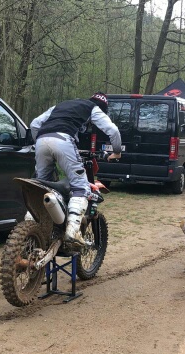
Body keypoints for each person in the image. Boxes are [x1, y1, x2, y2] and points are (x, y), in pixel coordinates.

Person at [30, 92, 122, 246]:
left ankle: (32, 226)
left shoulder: (61, 105)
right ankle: (73, 231)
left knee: (41, 185)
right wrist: (117, 152)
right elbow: (113, 130)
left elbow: (34, 124)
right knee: (81, 186)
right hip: (64, 140)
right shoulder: (92, 108)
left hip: (41, 140)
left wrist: (40, 142)